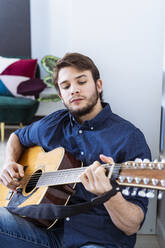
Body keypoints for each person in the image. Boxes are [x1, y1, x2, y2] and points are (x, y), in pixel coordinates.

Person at [0, 52, 151, 248]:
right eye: (66, 86)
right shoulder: (53, 123)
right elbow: (17, 137)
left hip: (96, 240)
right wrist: (9, 162)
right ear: (61, 96)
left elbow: (132, 225)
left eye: (81, 81)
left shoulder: (129, 138)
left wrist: (108, 194)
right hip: (39, 230)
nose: (74, 90)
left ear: (98, 85)